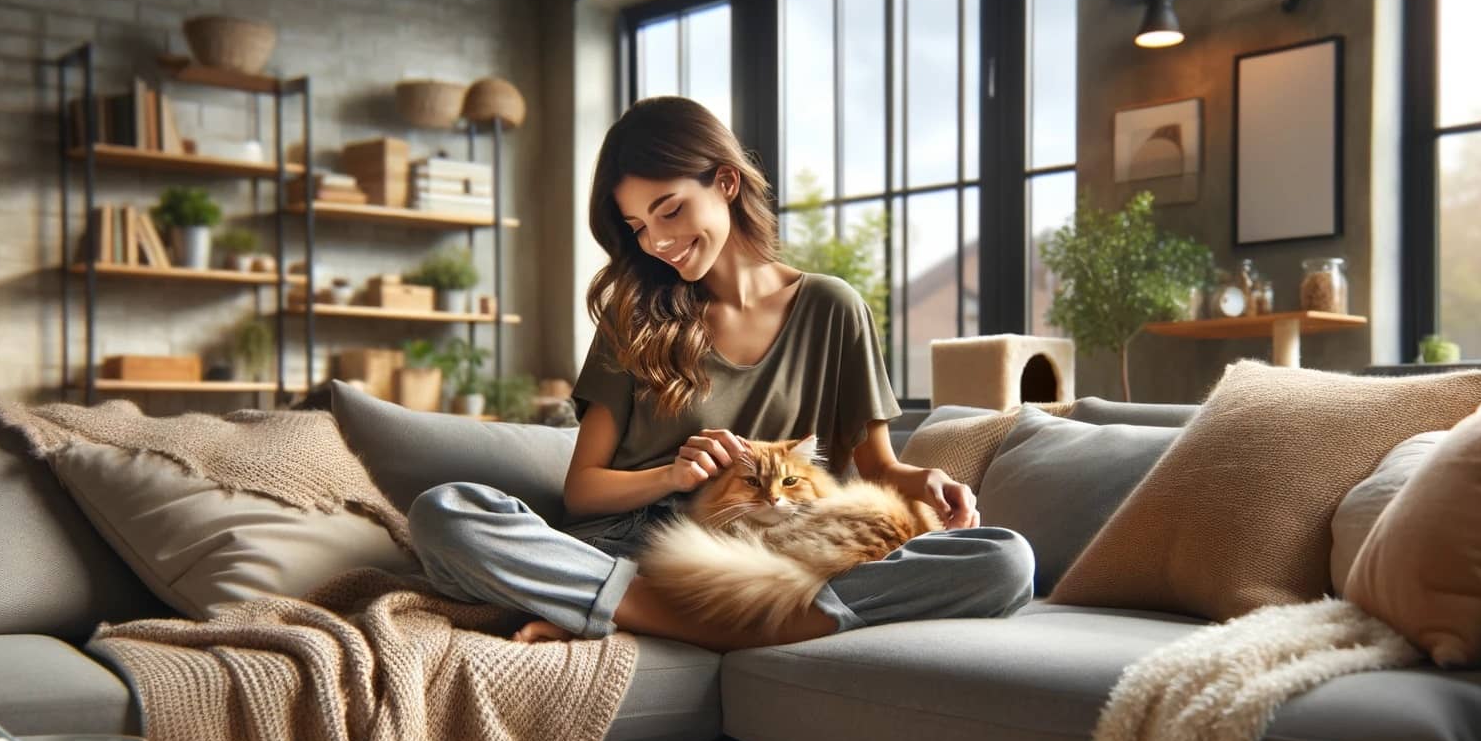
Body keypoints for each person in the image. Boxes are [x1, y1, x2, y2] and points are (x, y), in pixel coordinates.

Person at [409, 96, 1033, 651]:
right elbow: (584, 491)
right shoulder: (635, 316)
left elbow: (874, 466)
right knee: (445, 513)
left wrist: (923, 476)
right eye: (638, 227)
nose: (656, 242)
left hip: (774, 548)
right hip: (636, 546)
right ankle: (714, 617)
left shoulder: (832, 308)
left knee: (1005, 560)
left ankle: (625, 611)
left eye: (670, 211)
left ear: (727, 183)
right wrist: (670, 475)